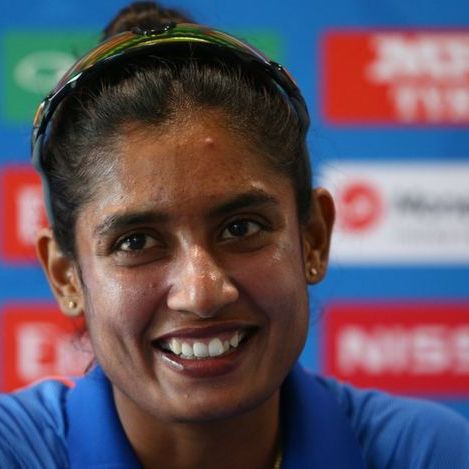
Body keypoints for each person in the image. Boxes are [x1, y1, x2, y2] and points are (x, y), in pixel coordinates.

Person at [1, 2, 468, 468]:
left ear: (313, 237)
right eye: (136, 242)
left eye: (241, 228)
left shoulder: (431, 453)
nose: (201, 293)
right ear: (65, 276)